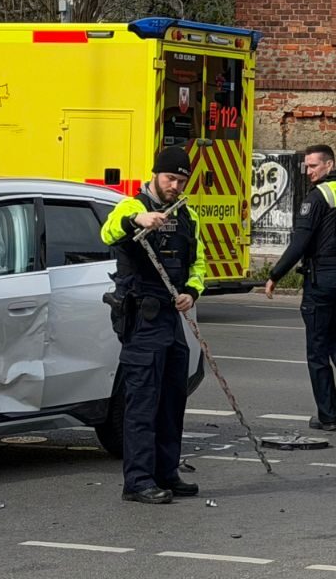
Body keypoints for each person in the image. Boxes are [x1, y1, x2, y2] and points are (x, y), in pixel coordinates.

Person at [101, 145, 207, 504]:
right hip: (142, 318)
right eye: (170, 178)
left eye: (181, 180)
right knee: (142, 403)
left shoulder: (187, 215)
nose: (175, 186)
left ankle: (166, 472)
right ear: (155, 175)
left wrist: (191, 292)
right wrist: (139, 221)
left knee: (172, 401)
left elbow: (199, 263)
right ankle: (138, 481)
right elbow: (109, 232)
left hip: (170, 316)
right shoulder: (133, 206)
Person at [262, 143, 336, 430]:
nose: (308, 171)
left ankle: (327, 417)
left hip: (321, 279)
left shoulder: (317, 197)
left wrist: (275, 275)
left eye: (313, 165)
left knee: (317, 350)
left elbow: (300, 243)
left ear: (329, 165)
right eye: (306, 166)